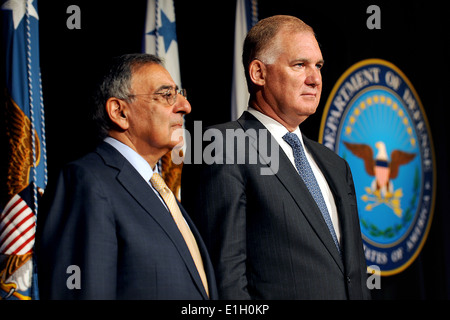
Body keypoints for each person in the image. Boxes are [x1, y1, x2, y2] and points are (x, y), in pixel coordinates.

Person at [182, 15, 371, 299]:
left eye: (318, 66)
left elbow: (353, 273)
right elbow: (225, 277)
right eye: (300, 65)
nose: (315, 79)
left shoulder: (335, 164)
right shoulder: (223, 146)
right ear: (258, 73)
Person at [36, 53, 217, 300]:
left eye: (180, 94)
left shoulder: (160, 191)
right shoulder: (86, 181)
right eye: (166, 95)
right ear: (119, 112)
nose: (185, 106)